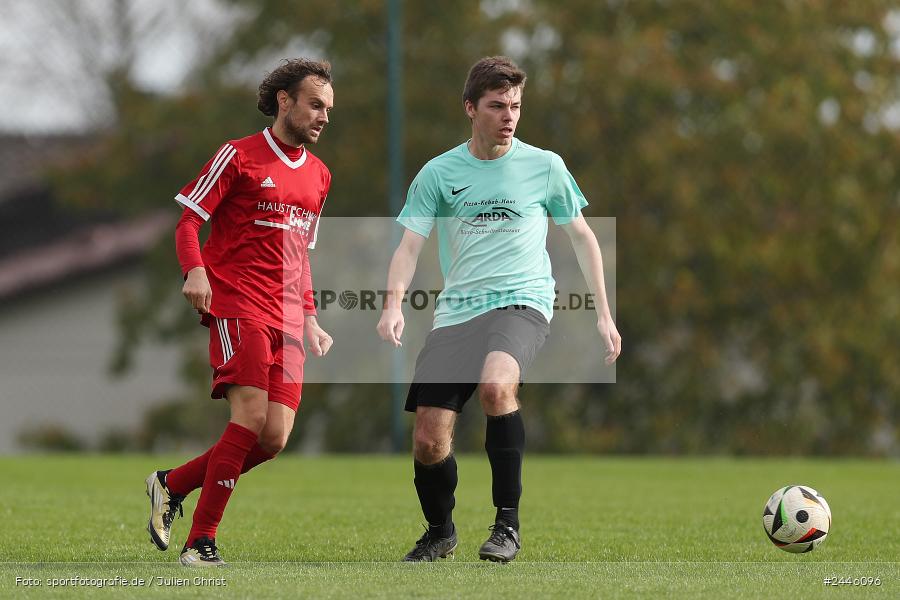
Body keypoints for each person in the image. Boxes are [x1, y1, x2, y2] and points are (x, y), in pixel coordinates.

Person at [377, 56, 621, 563]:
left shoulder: (545, 166)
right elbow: (408, 247)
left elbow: (582, 238)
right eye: (497, 106)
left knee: (495, 386)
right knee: (427, 437)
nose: (509, 116)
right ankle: (440, 531)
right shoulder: (439, 173)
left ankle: (506, 525)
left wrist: (604, 313)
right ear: (470, 108)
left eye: (515, 106)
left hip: (523, 302)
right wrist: (393, 305)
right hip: (457, 313)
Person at [145, 58, 335, 567]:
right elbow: (189, 221)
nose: (323, 116)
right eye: (315, 104)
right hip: (238, 304)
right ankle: (200, 542)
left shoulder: (319, 176)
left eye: (328, 109)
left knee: (272, 438)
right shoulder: (238, 155)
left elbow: (302, 256)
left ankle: (172, 483)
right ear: (284, 101)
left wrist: (312, 317)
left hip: (290, 319)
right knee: (249, 417)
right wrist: (195, 270)